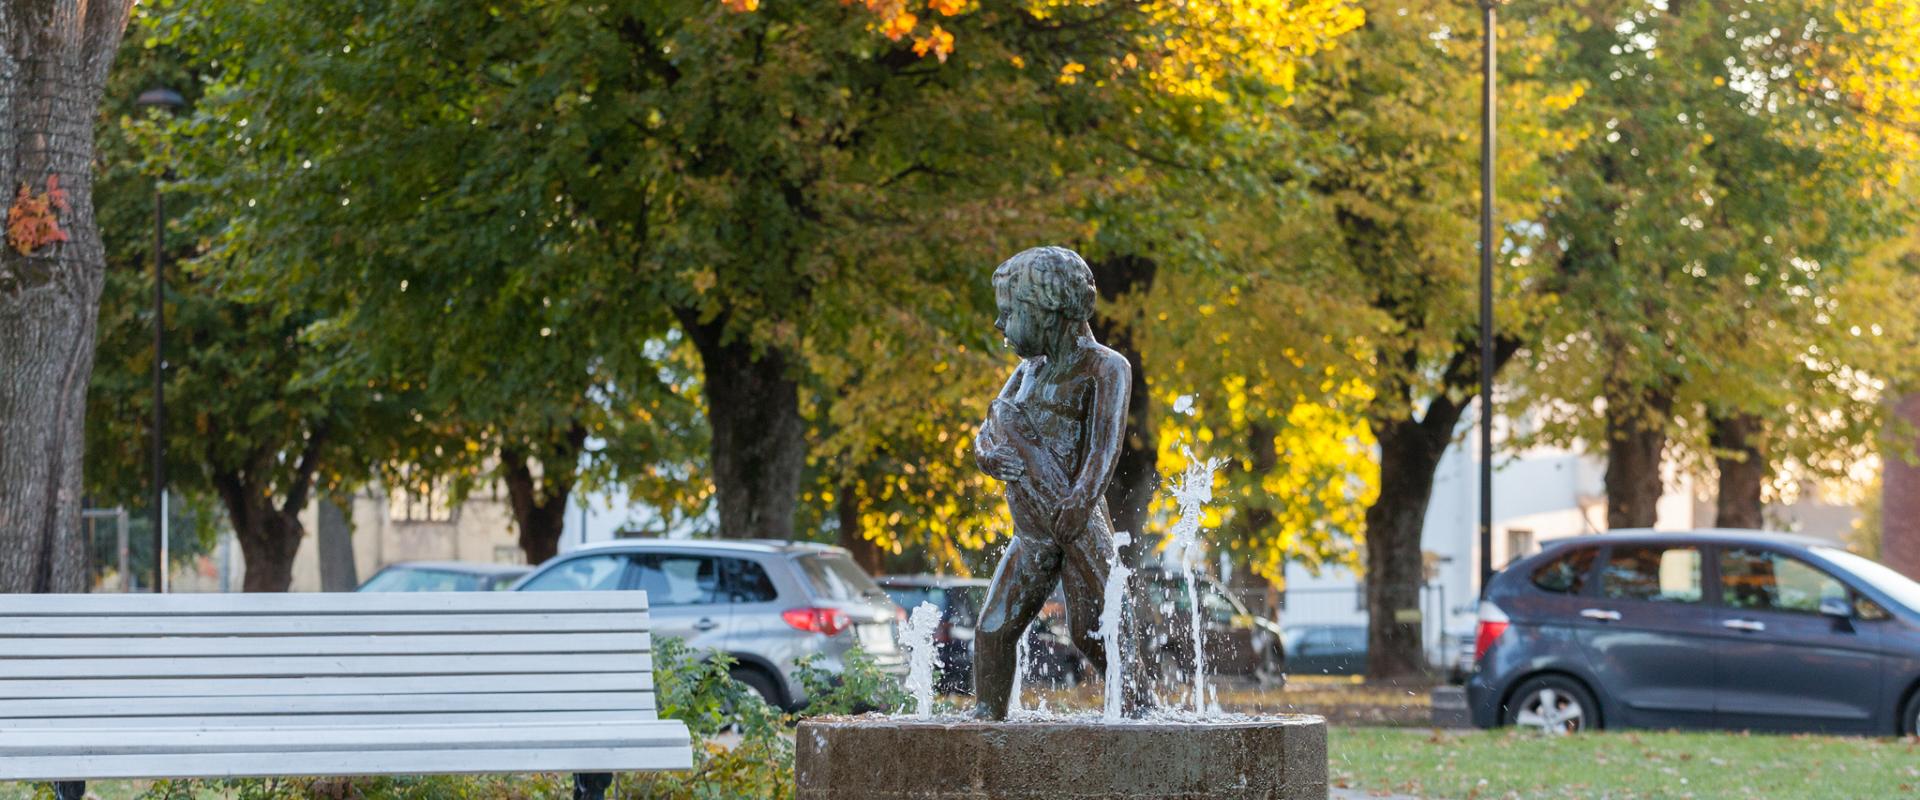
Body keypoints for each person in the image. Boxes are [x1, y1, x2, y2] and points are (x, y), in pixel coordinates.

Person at [971, 245, 1144, 720]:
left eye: (1010, 313)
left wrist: (1081, 501)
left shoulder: (1105, 367)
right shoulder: (1028, 370)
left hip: (1075, 520)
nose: (1000, 324)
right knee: (992, 629)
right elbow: (991, 424)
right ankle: (987, 721)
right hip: (1031, 531)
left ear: (1048, 312)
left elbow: (1104, 449)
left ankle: (1140, 713)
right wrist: (986, 454)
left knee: (1096, 632)